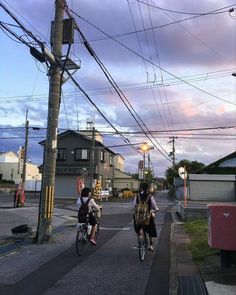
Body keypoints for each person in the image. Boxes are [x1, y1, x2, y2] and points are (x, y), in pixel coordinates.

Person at [133, 182, 159, 251]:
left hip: (139, 216)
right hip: (147, 216)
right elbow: (155, 207)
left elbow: (134, 206)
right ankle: (151, 245)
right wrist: (156, 209)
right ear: (148, 188)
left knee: (137, 223)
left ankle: (139, 238)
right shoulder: (150, 197)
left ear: (141, 188)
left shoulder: (137, 196)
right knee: (151, 228)